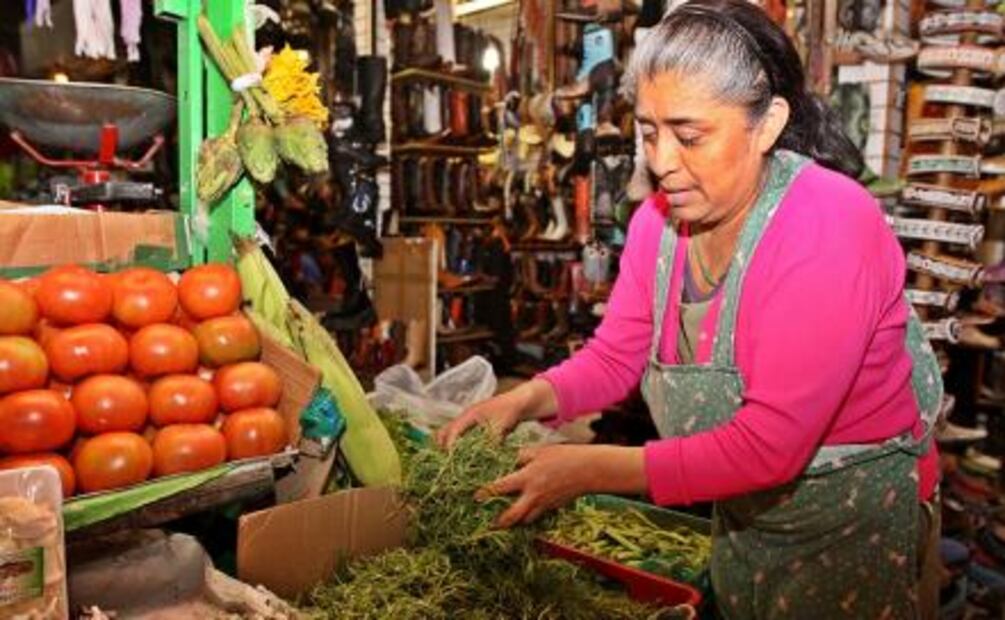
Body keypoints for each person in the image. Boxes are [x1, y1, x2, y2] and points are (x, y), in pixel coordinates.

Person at [437, 1, 942, 617]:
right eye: (649, 132)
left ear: (767, 125)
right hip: (745, 520)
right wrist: (523, 401)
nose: (660, 161)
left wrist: (586, 469)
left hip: (855, 528)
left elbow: (771, 447)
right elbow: (616, 357)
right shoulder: (659, 224)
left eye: (689, 135)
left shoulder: (826, 226)